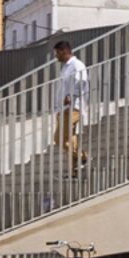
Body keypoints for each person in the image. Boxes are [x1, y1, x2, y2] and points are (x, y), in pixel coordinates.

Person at [52, 40, 92, 170]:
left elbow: (82, 81)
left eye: (57, 53)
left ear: (65, 51)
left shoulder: (76, 65)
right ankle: (75, 170)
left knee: (60, 139)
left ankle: (84, 156)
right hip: (64, 108)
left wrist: (71, 95)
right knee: (70, 139)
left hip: (73, 107)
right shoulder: (66, 67)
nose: (56, 56)